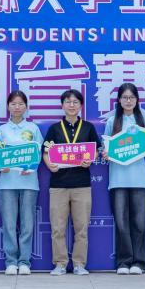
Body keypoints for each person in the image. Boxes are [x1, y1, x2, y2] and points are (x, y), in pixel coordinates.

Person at [42, 88, 100, 275]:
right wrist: (49, 165)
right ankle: (60, 264)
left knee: (81, 227)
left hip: (82, 185)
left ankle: (79, 264)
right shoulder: (54, 128)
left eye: (75, 102)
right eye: (68, 102)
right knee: (58, 228)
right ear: (62, 105)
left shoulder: (88, 127)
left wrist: (90, 159)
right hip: (58, 185)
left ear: (81, 105)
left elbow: (96, 150)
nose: (71, 105)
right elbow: (45, 152)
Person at [104, 82, 145, 274]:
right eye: (125, 97)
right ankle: (123, 262)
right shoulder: (112, 121)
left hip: (139, 179)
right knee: (121, 223)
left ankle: (138, 262)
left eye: (132, 97)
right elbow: (105, 148)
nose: (128, 101)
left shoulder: (143, 120)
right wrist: (106, 153)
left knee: (139, 223)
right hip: (118, 180)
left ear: (137, 100)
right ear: (119, 100)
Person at [0, 90, 41, 275]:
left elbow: (38, 153)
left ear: (26, 107)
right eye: (13, 104)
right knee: (9, 224)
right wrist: (0, 166)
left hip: (29, 182)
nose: (17, 107)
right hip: (7, 183)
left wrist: (31, 166)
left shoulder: (33, 128)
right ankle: (11, 262)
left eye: (21, 104)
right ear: (8, 106)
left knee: (27, 225)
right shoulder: (1, 130)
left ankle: (24, 262)